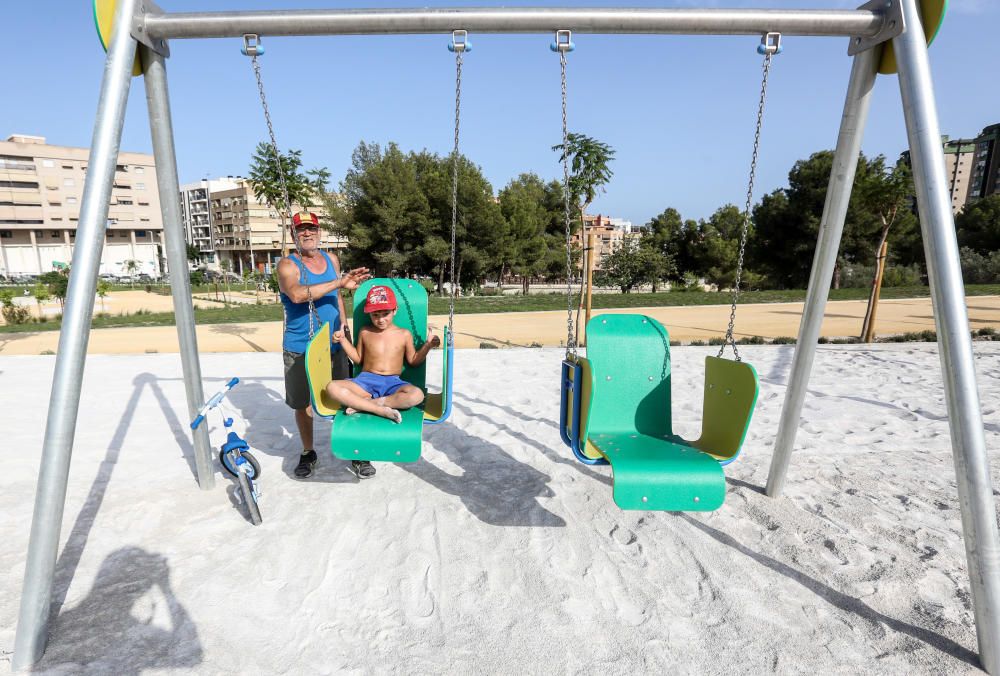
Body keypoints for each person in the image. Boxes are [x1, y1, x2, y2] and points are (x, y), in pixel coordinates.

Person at [277, 211, 372, 479]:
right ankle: (309, 452)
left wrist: (344, 326)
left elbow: (337, 297)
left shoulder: (331, 259)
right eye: (301, 230)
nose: (307, 234)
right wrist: (338, 282)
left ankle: (354, 451)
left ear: (319, 232)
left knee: (347, 396)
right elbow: (296, 295)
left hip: (335, 341)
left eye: (311, 229)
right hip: (300, 344)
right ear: (294, 234)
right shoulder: (287, 265)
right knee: (303, 403)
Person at [327, 284, 440, 423]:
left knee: (417, 395)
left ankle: (366, 405)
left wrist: (428, 345)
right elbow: (358, 359)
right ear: (369, 314)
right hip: (365, 382)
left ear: (395, 310)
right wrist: (343, 340)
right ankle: (379, 410)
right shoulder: (365, 332)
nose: (380, 320)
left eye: (385, 314)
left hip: (392, 383)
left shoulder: (404, 334)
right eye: (375, 315)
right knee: (332, 387)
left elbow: (414, 360)